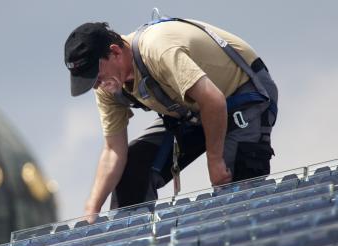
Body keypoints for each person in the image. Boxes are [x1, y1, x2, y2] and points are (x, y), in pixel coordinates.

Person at [63, 16, 278, 216]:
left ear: (115, 52)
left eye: (97, 76)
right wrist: (92, 209)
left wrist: (215, 160)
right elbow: (113, 150)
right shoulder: (107, 87)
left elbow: (213, 100)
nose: (98, 85)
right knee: (134, 168)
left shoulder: (157, 49)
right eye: (92, 82)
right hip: (191, 110)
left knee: (233, 185)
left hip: (241, 94)